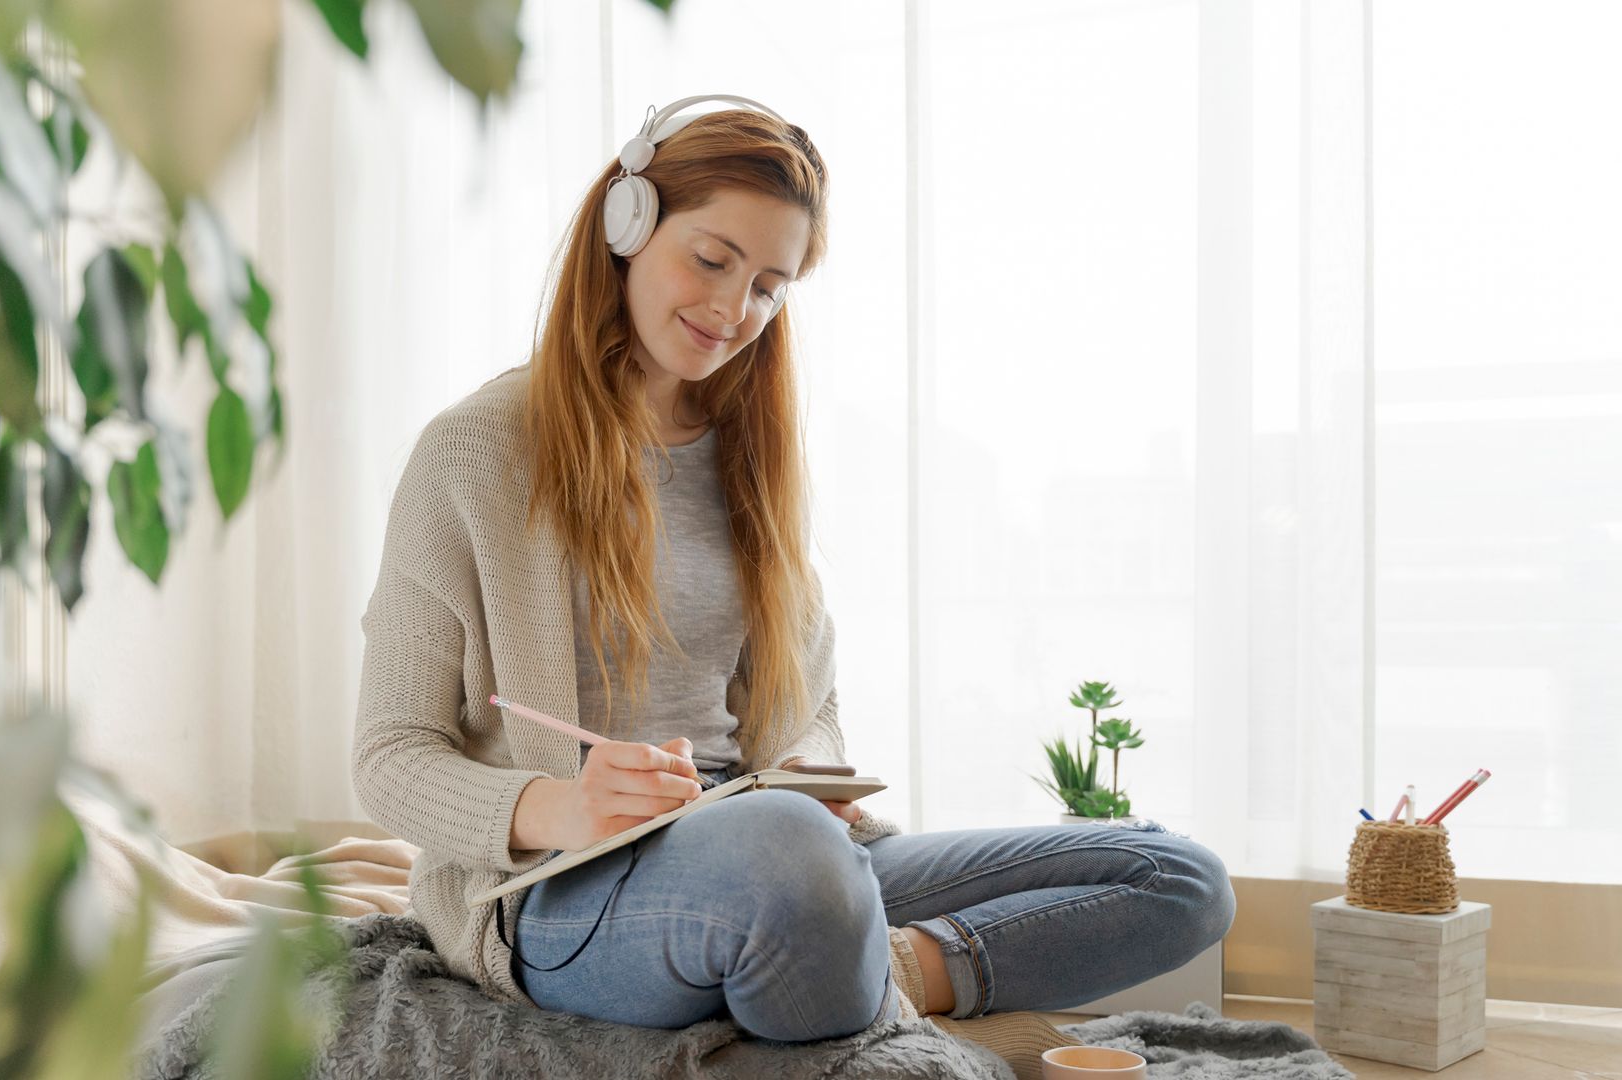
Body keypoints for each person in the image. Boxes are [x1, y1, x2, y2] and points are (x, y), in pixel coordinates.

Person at [353, 95, 1235, 1049]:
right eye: (712, 259)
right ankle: (842, 961)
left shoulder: (750, 458)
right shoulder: (474, 454)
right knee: (793, 856)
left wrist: (809, 769)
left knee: (1178, 878)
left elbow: (807, 705)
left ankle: (886, 968)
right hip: (565, 888)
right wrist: (562, 804)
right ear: (627, 226)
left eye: (770, 285)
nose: (735, 311)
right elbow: (389, 755)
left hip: (777, 852)